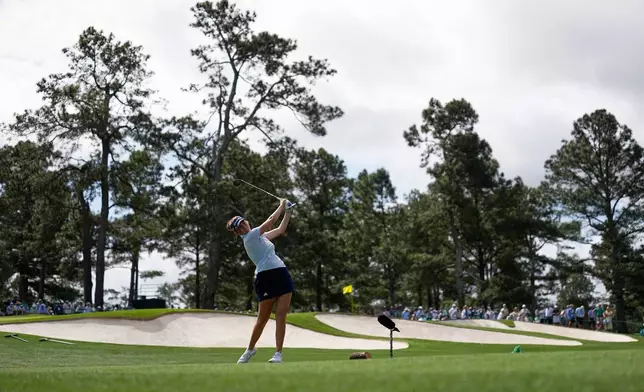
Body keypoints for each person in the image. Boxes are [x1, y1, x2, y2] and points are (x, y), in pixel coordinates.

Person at [227, 198, 294, 364]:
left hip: (282, 274)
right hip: (265, 278)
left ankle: (278, 353)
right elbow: (271, 221)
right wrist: (281, 204)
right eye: (239, 227)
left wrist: (288, 212)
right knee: (262, 320)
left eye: (243, 223)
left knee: (281, 315)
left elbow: (280, 229)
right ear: (237, 233)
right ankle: (250, 349)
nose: (243, 227)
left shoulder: (261, 236)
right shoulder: (249, 238)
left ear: (246, 222)